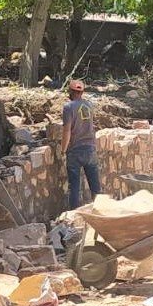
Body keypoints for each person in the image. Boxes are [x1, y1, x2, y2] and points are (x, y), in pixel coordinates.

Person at [61, 79, 102, 209]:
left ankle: (74, 214)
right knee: (95, 186)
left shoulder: (68, 107)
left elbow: (67, 130)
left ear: (70, 92)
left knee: (74, 187)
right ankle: (100, 211)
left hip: (75, 150)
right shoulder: (89, 105)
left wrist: (63, 150)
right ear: (82, 92)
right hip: (90, 149)